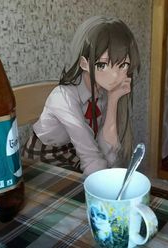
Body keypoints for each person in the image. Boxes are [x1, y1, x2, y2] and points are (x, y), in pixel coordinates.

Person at [23, 16, 140, 176]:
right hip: (42, 156)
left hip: (75, 153)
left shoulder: (105, 92)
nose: (115, 75)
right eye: (103, 65)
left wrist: (113, 101)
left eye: (123, 65)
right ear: (84, 64)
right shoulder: (63, 97)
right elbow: (90, 156)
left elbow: (106, 152)